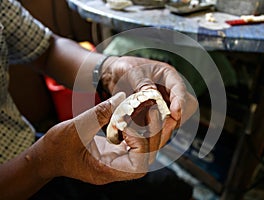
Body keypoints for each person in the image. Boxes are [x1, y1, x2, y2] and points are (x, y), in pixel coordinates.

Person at [0, 0, 198, 199]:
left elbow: (47, 49)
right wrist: (41, 163)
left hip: (27, 145)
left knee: (171, 187)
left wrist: (109, 69)